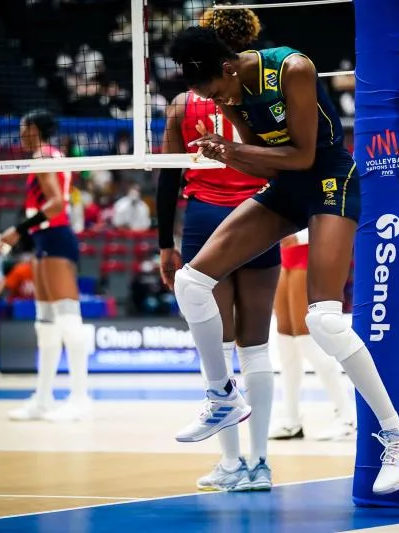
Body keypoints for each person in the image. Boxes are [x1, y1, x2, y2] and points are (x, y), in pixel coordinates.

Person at [167, 24, 399, 496]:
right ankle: (222, 397)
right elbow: (264, 161)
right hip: (286, 186)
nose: (215, 100)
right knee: (190, 282)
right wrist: (225, 153)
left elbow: (305, 155)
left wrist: (233, 149)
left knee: (324, 321)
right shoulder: (228, 93)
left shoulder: (292, 68)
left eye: (214, 90)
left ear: (227, 68)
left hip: (329, 179)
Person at [156, 6, 277, 492]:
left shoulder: (184, 103)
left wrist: (165, 241)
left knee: (219, 348)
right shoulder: (258, 89)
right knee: (258, 347)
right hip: (261, 214)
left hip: (206, 220)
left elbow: (167, 176)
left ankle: (229, 465)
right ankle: (261, 464)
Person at [0, 110, 90, 423]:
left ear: (34, 129)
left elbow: (55, 205)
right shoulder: (48, 155)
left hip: (56, 238)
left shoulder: (44, 156)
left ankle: (79, 399)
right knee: (46, 322)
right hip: (44, 240)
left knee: (68, 320)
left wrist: (17, 230)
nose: (20, 133)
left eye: (23, 127)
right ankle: (43, 398)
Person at [270, 228, 356, 441]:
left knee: (306, 340)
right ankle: (291, 420)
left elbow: (332, 217)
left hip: (308, 255)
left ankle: (347, 417)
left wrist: (297, 236)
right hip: (286, 257)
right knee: (286, 344)